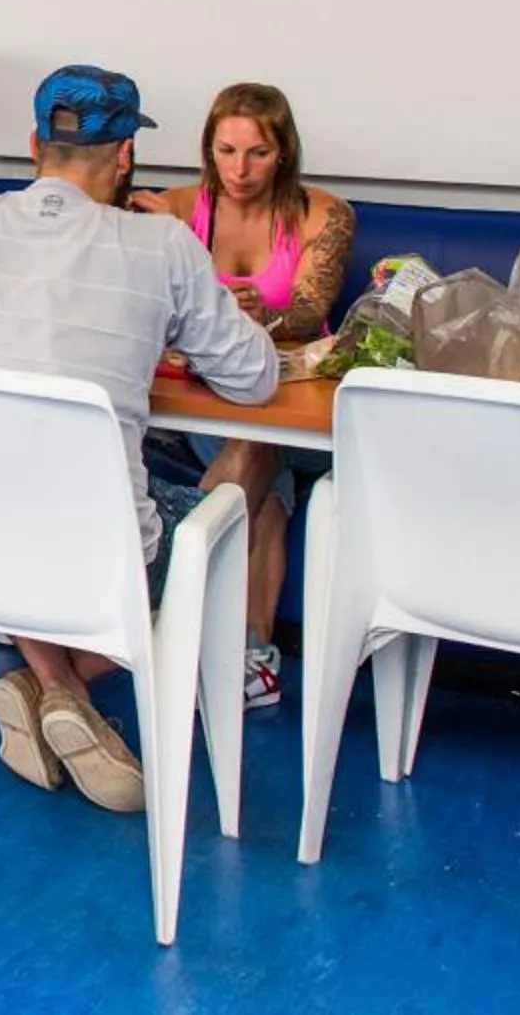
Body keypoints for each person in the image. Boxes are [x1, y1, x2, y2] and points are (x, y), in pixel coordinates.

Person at [0, 65, 276, 816]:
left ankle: (44, 682)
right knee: (234, 508)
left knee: (17, 495)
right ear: (124, 159)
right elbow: (255, 380)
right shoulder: (162, 245)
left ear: (33, 145)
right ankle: (66, 684)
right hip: (101, 553)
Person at [129, 82, 356, 712]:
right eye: (225, 151)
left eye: (257, 153)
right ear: (208, 149)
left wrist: (269, 315)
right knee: (265, 484)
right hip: (215, 405)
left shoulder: (323, 214)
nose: (239, 169)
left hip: (303, 409)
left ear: (283, 152)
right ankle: (252, 658)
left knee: (260, 444)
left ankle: (170, 606)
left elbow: (312, 312)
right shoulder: (177, 210)